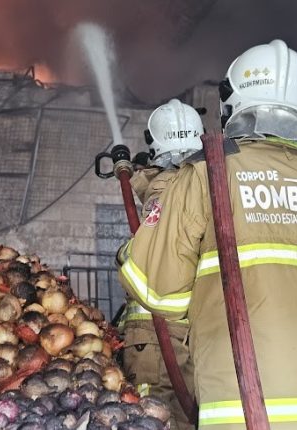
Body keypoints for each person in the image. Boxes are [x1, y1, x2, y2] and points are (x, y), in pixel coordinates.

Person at [119, 39, 297, 429]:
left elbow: (157, 293)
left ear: (230, 103)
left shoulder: (208, 174)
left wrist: (132, 251)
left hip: (240, 413)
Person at [117, 98, 202, 430]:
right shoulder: (201, 180)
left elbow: (151, 247)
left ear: (156, 145)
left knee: (160, 416)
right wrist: (138, 176)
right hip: (189, 334)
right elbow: (159, 195)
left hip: (157, 334)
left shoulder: (169, 188)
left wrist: (126, 255)